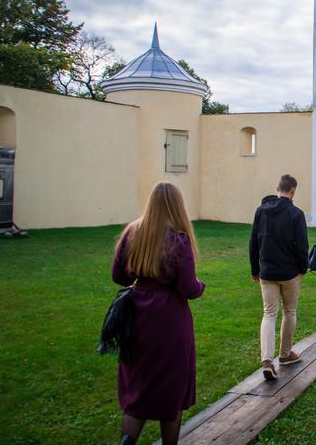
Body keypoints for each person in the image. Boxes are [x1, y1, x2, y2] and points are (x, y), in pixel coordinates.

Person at [111, 182, 206, 445]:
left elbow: (118, 275)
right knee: (170, 388)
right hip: (169, 321)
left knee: (138, 388)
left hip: (136, 317)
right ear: (177, 206)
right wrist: (201, 287)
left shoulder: (133, 232)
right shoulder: (179, 240)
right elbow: (188, 288)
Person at [249, 174, 309, 381]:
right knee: (289, 311)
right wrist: (303, 268)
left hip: (267, 271)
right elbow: (302, 245)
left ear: (277, 188)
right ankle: (285, 354)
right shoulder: (295, 213)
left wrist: (254, 269)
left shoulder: (261, 211)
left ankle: (267, 360)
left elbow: (253, 242)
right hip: (289, 272)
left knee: (269, 313)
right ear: (292, 191)